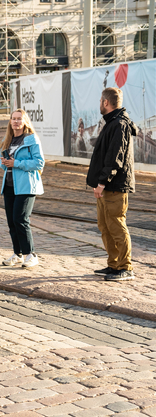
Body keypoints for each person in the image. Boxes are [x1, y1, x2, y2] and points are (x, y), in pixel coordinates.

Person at [86, 87, 137, 282]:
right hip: (106, 186)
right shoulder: (111, 123)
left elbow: (115, 158)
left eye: (100, 100)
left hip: (115, 186)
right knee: (105, 225)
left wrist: (102, 182)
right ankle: (113, 264)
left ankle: (125, 267)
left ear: (106, 102)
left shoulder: (119, 125)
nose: (99, 103)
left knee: (116, 225)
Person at [0, 109, 45, 268]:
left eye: (19, 119)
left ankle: (31, 254)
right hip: (10, 185)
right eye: (13, 119)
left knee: (21, 219)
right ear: (10, 122)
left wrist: (16, 163)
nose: (16, 122)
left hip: (26, 186)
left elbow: (39, 162)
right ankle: (17, 254)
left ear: (25, 122)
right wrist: (3, 163)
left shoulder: (31, 139)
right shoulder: (8, 139)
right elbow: (0, 161)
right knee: (12, 221)